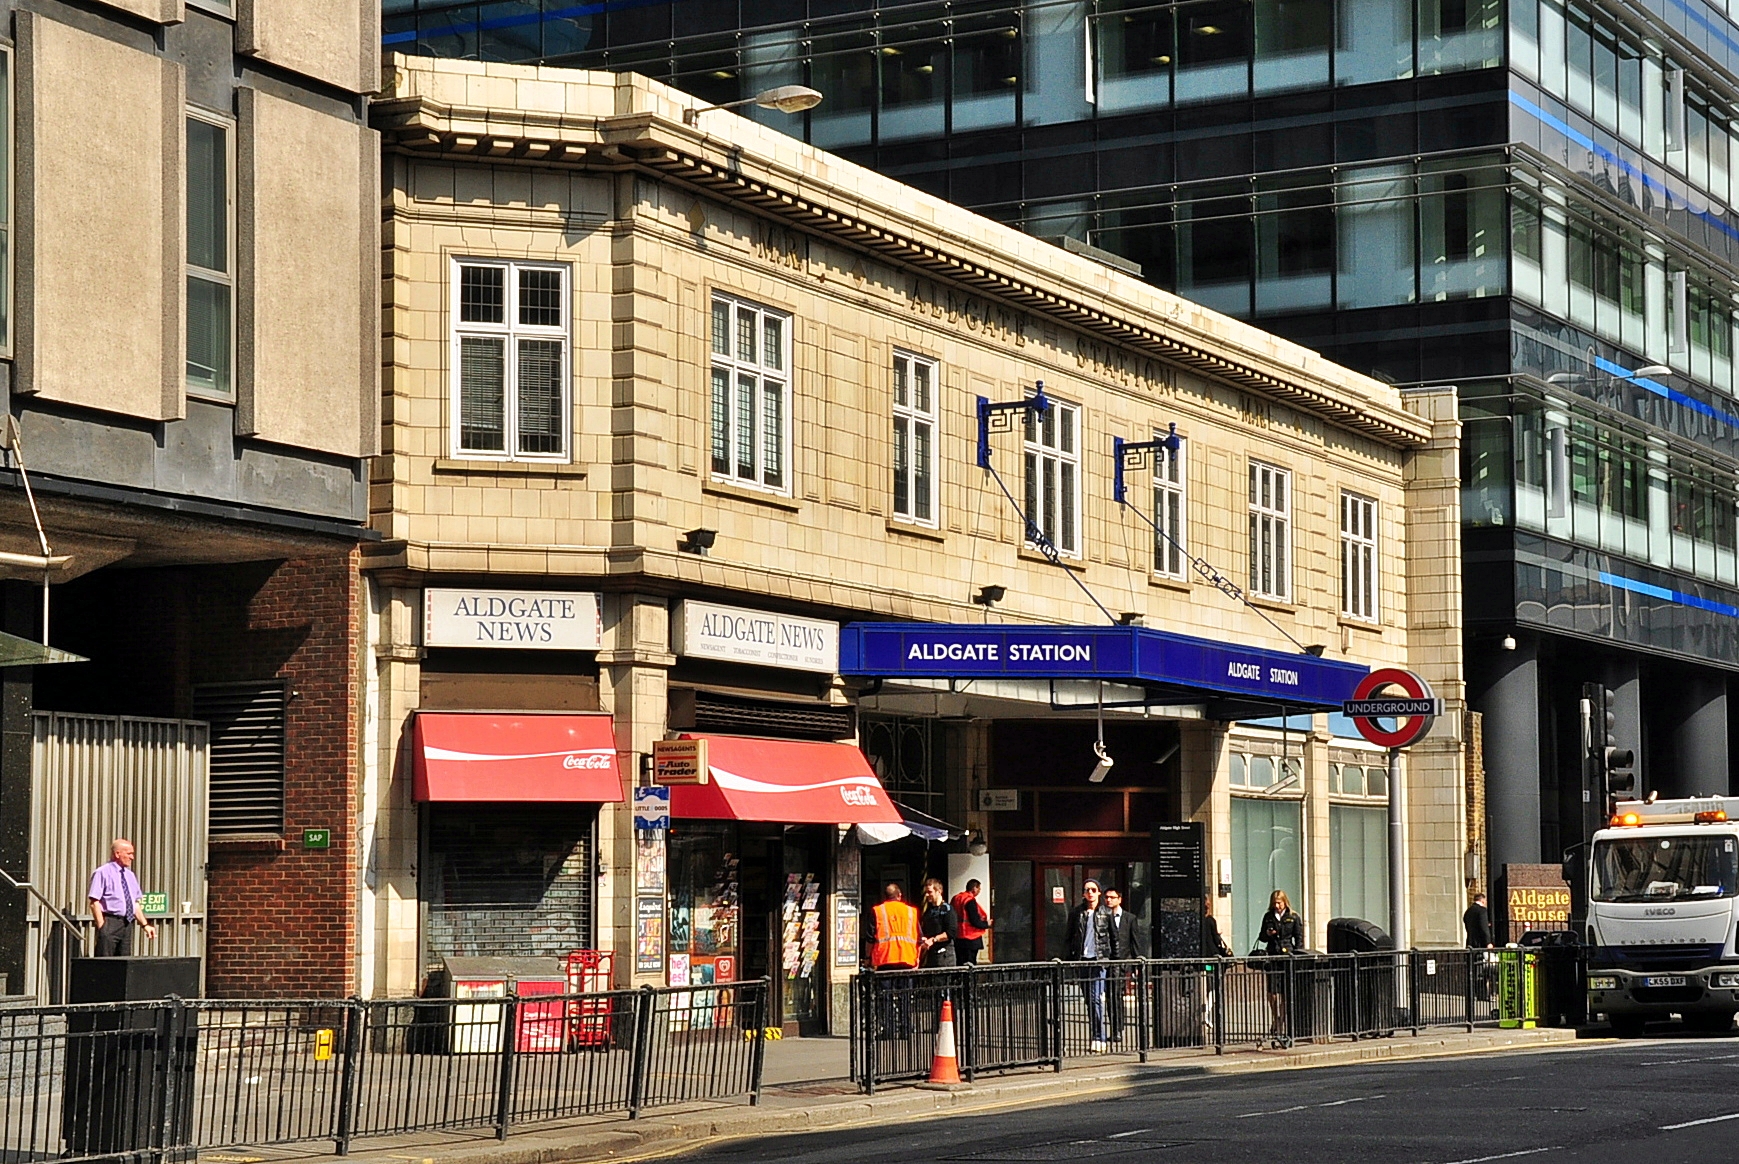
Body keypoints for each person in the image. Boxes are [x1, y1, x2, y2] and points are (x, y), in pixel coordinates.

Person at [1066, 879, 1119, 1052]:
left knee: (1096, 998)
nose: (1090, 892)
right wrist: (1067, 959)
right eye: (1086, 890)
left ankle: (1099, 1037)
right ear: (1083, 894)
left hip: (1099, 960)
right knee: (1089, 1000)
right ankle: (1095, 1033)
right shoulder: (1076, 913)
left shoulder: (1106, 913)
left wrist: (1116, 963)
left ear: (1098, 893)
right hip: (1083, 960)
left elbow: (1114, 938)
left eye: (1093, 889)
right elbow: (1069, 938)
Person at [88, 838, 157, 957]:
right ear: (117, 854)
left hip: (126, 923)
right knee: (105, 963)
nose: (132, 858)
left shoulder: (130, 875)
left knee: (124, 962)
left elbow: (135, 904)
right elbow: (94, 902)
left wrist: (145, 925)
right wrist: (102, 927)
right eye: (129, 853)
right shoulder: (102, 873)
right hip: (110, 921)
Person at [869, 882, 920, 1038]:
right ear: (899, 896)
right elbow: (918, 936)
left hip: (885, 959)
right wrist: (917, 958)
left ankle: (889, 1029)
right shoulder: (911, 912)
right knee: (905, 995)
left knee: (886, 996)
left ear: (885, 897)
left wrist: (868, 959)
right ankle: (906, 1029)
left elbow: (870, 938)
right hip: (906, 958)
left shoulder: (877, 911)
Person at [1257, 889, 1305, 1045]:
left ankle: (1281, 1021)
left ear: (1285, 902)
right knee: (1272, 992)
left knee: (1285, 992)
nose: (1277, 906)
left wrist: (1297, 954)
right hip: (1272, 955)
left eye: (1279, 902)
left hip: (1286, 956)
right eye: (1274, 903)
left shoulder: (1293, 917)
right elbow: (1261, 937)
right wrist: (1268, 933)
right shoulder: (1268, 917)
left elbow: (1299, 938)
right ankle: (1275, 1017)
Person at [1103, 888, 1145, 1044]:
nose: (1109, 900)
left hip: (1123, 963)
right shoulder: (1103, 918)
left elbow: (1135, 941)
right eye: (1106, 898)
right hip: (1108, 962)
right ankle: (1115, 1028)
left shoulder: (1130, 918)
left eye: (1112, 897)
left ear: (1119, 899)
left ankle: (1118, 1028)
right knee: (1111, 996)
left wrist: (1136, 963)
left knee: (1117, 995)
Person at [918, 878, 960, 968]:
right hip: (931, 954)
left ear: (939, 891)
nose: (927, 895)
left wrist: (934, 939)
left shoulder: (948, 910)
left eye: (930, 892)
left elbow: (951, 933)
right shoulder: (928, 912)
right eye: (926, 892)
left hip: (945, 955)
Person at [951, 879, 992, 966]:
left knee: (959, 963)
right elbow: (975, 920)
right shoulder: (969, 901)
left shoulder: (956, 898)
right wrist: (986, 924)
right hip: (971, 937)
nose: (979, 891)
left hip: (958, 937)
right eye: (979, 888)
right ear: (974, 888)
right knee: (970, 964)